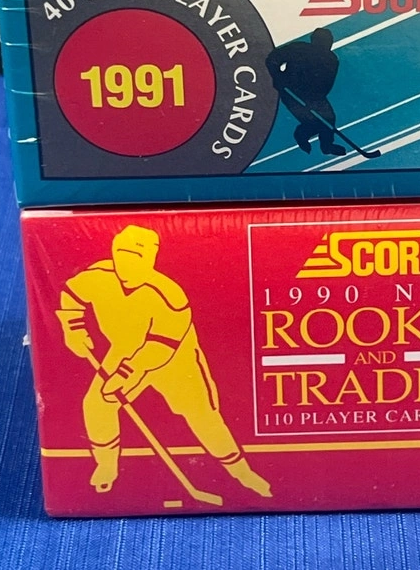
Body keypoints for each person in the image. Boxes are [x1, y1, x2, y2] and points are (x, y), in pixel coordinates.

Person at [56, 224, 271, 498]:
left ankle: (242, 472)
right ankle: (107, 466)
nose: (126, 263)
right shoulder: (97, 276)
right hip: (124, 350)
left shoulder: (169, 297)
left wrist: (124, 375)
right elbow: (72, 295)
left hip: (176, 361)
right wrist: (74, 329)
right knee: (97, 405)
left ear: (151, 259)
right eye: (121, 254)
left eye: (135, 257)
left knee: (202, 416)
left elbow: (158, 349)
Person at [266, 27, 346, 156]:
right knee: (313, 122)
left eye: (329, 41)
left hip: (314, 97)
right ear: (315, 40)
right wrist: (278, 77)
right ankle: (301, 135)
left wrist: (316, 98)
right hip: (291, 92)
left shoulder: (331, 59)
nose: (327, 44)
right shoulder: (299, 48)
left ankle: (327, 145)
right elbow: (273, 59)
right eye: (324, 40)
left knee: (328, 118)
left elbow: (327, 84)